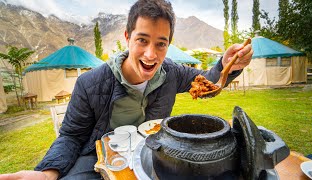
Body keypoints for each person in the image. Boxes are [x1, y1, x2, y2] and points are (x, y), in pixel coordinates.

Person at [0, 0, 253, 179]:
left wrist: (227, 64)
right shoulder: (90, 83)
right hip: (100, 157)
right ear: (127, 37)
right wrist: (47, 173)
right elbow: (72, 136)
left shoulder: (172, 72)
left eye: (161, 44)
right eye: (142, 40)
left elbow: (208, 81)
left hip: (156, 153)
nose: (151, 54)